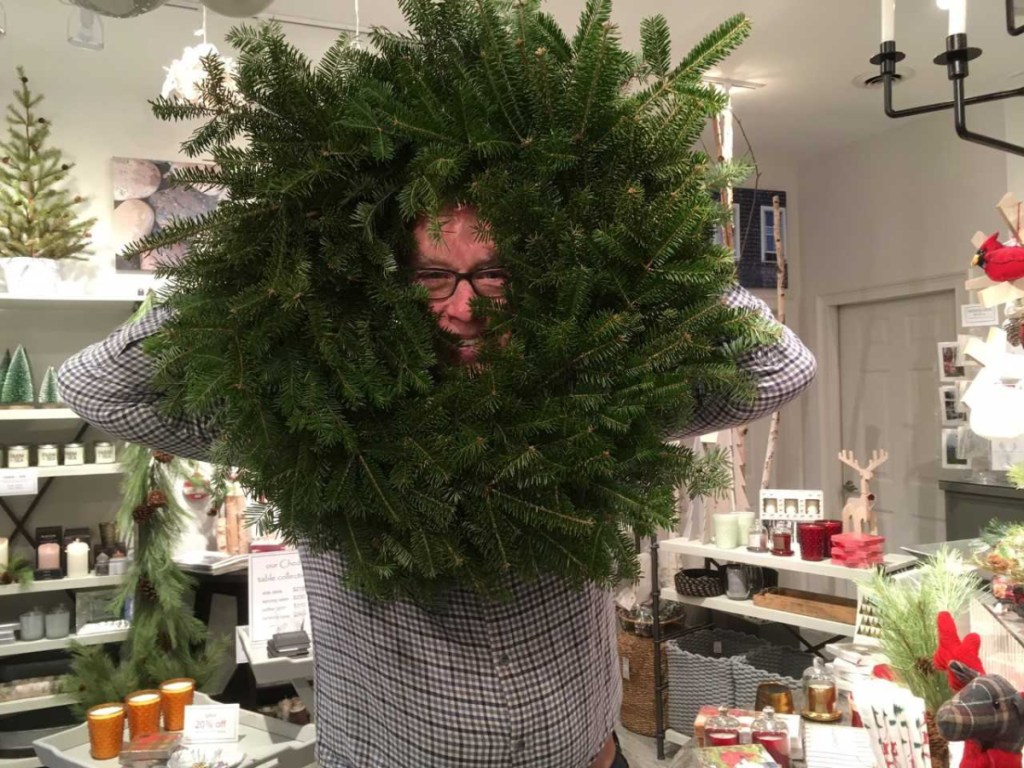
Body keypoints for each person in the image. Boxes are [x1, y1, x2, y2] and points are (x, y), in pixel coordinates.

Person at [58, 205, 815, 768]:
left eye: (494, 272)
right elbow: (98, 386)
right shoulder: (312, 420)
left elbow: (778, 364)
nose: (467, 306)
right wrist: (269, 267)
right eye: (433, 277)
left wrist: (630, 244)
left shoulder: (589, 404)